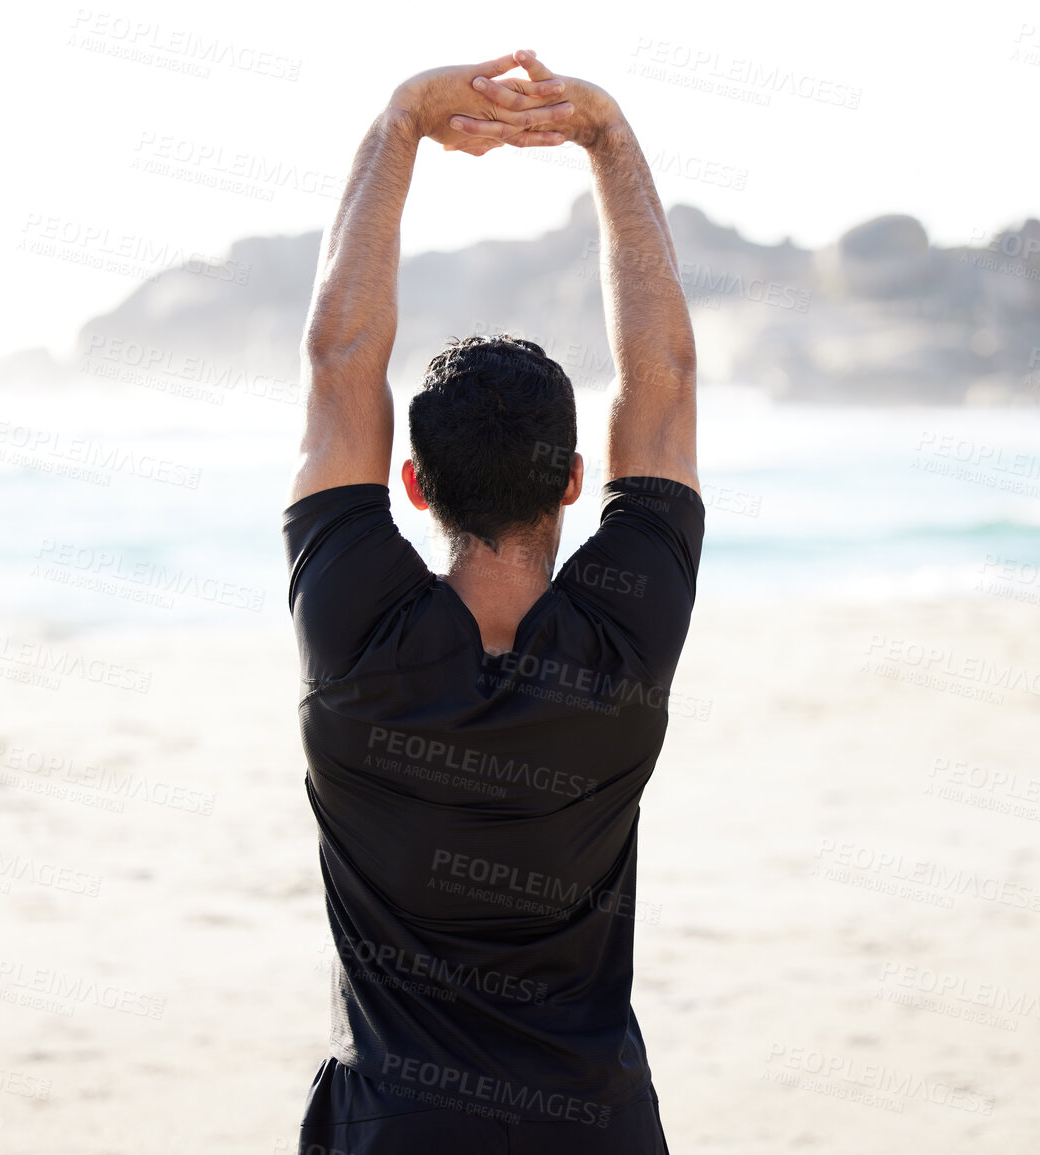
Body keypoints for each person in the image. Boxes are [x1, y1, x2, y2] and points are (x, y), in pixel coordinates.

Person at [283, 49, 702, 1154]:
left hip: (398, 1129)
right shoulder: (623, 635)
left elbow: (339, 363)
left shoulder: (359, 632)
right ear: (574, 478)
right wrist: (606, 140)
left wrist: (403, 124)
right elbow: (662, 376)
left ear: (411, 485)